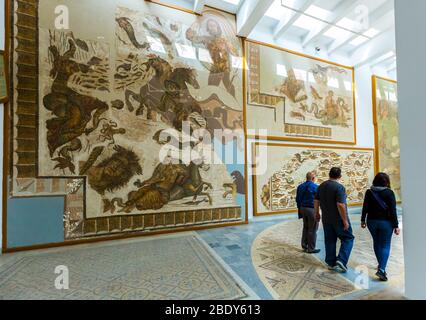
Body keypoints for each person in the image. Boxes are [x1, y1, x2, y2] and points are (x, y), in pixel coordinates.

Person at [361, 172, 401, 281]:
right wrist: (396, 225)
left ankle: (380, 265)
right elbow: (393, 210)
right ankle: (382, 270)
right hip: (386, 223)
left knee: (377, 242)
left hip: (372, 222)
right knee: (385, 245)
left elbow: (365, 207)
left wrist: (362, 220)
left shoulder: (369, 192)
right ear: (386, 182)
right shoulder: (389, 193)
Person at [314, 167, 354, 273]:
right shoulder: (339, 187)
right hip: (338, 219)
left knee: (330, 239)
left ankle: (331, 262)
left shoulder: (321, 186)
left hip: (326, 219)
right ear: (340, 176)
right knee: (348, 238)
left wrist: (316, 213)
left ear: (329, 174)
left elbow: (316, 200)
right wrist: (345, 220)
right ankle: (342, 260)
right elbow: (340, 204)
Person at [296, 172, 320, 254]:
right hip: (311, 209)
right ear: (313, 178)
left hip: (302, 208)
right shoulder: (315, 187)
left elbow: (297, 199)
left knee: (305, 227)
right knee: (312, 229)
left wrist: (300, 209)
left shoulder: (300, 186)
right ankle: (311, 248)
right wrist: (318, 211)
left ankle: (304, 245)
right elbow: (318, 200)